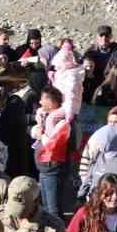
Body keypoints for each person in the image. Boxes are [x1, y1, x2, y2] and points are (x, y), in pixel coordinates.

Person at [31, 85, 76, 218]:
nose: (40, 102)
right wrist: (36, 131)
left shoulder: (62, 122)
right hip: (44, 169)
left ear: (51, 103)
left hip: (54, 168)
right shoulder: (45, 117)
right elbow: (36, 132)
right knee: (45, 206)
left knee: (53, 209)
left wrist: (41, 135)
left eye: (43, 99)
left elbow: (53, 144)